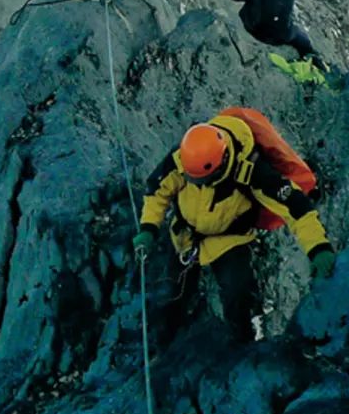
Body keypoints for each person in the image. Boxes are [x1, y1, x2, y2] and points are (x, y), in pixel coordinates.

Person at [132, 108, 335, 341]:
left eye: (201, 181)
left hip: (230, 239)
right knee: (171, 296)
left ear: (221, 164)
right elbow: (157, 191)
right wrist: (148, 228)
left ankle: (245, 341)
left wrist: (318, 248)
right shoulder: (184, 157)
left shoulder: (252, 171)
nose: (194, 183)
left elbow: (296, 208)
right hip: (185, 235)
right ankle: (165, 341)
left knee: (238, 296)